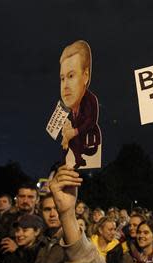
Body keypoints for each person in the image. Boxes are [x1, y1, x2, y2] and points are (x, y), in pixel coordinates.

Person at [60, 40, 101, 168]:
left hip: (90, 142)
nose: (65, 86)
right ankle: (78, 160)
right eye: (62, 78)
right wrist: (67, 130)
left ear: (85, 76)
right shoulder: (69, 107)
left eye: (71, 76)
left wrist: (74, 132)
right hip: (78, 146)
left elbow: (90, 121)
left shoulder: (90, 99)